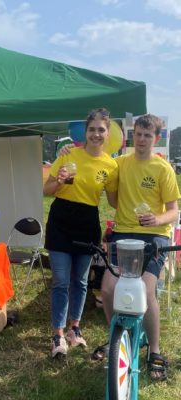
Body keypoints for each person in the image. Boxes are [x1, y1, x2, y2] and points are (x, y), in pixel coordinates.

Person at [92, 114, 180, 382]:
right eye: (138, 135)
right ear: (132, 137)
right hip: (124, 233)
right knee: (107, 288)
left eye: (147, 135)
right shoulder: (120, 164)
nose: (141, 140)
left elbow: (173, 212)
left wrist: (157, 219)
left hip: (155, 235)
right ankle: (117, 340)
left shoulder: (163, 169)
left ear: (155, 138)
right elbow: (114, 198)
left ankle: (154, 350)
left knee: (146, 288)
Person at [43, 108, 118, 359]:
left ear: (107, 134)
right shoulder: (68, 155)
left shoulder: (110, 165)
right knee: (62, 281)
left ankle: (75, 328)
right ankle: (58, 334)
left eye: (101, 130)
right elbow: (47, 189)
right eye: (92, 129)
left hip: (87, 223)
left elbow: (116, 200)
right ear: (85, 132)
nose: (96, 134)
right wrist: (60, 182)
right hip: (61, 220)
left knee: (82, 281)